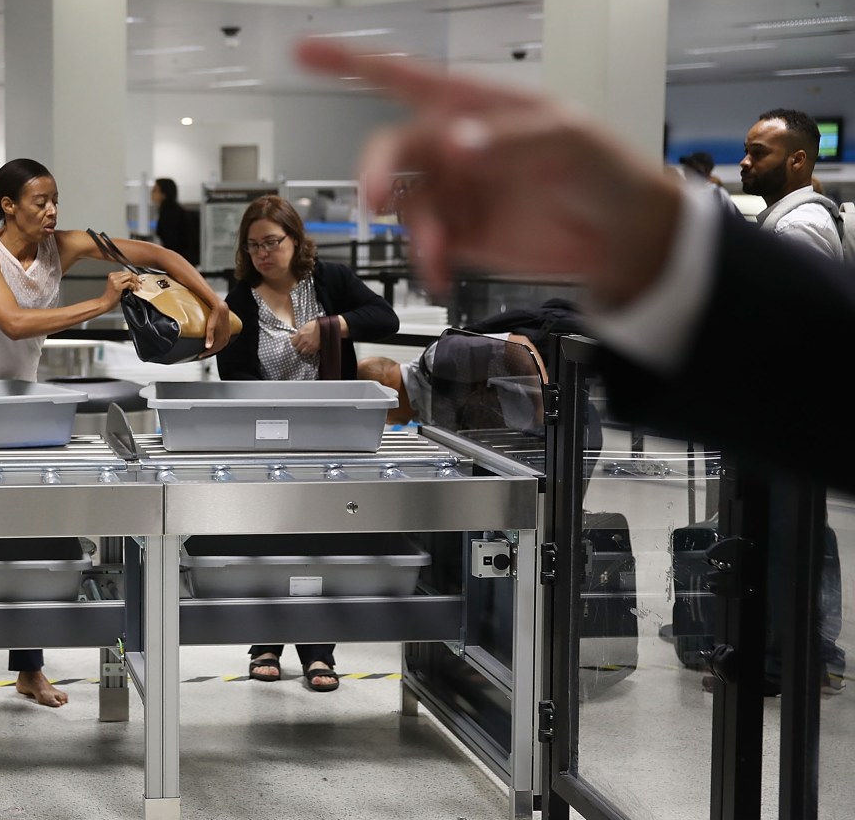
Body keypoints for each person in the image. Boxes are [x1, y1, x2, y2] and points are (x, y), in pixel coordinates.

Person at [293, 39, 855, 493]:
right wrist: (660, 248)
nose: (746, 162)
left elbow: (518, 348)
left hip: (564, 431)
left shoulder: (440, 360)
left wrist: (543, 409)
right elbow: (818, 375)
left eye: (760, 152)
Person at [0, 157, 232, 711]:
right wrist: (100, 304)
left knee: (27, 537)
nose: (52, 210)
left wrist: (213, 302)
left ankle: (29, 670)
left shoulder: (61, 245)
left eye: (55, 199)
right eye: (39, 201)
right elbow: (12, 320)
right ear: (9, 205)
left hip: (20, 407)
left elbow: (158, 255)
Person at [217, 195, 399, 691]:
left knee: (322, 540)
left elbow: (384, 318)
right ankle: (266, 644)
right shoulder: (239, 300)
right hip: (267, 439)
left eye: (272, 242)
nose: (263, 254)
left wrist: (332, 326)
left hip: (331, 434)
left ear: (295, 239)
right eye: (253, 246)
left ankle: (319, 652)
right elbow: (232, 372)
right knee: (269, 540)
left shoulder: (329, 281)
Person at [740, 108, 843, 260]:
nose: (744, 162)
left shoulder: (796, 227)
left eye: (758, 152)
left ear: (797, 160)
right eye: (746, 152)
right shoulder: (796, 221)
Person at [152, 177, 199, 265]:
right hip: (181, 260)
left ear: (164, 193)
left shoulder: (169, 213)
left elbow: (172, 242)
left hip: (178, 261)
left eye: (155, 190)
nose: (152, 193)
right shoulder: (171, 210)